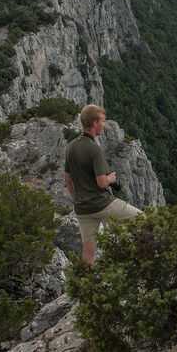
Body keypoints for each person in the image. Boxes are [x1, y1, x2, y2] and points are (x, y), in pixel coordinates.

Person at [64, 104, 142, 264]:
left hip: (82, 208)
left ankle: (85, 286)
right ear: (94, 123)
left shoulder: (71, 147)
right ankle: (141, 261)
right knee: (143, 220)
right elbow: (101, 182)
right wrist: (111, 179)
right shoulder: (95, 149)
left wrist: (76, 199)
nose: (104, 124)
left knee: (88, 253)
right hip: (101, 203)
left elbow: (67, 178)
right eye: (102, 121)